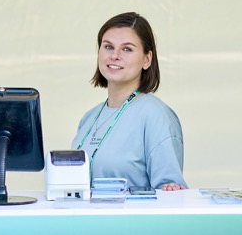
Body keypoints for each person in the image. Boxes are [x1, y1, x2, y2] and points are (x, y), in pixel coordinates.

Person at [73, 11, 186, 191]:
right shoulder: (89, 118)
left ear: (147, 59)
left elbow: (170, 191)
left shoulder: (156, 115)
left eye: (127, 49)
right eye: (108, 47)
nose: (115, 55)